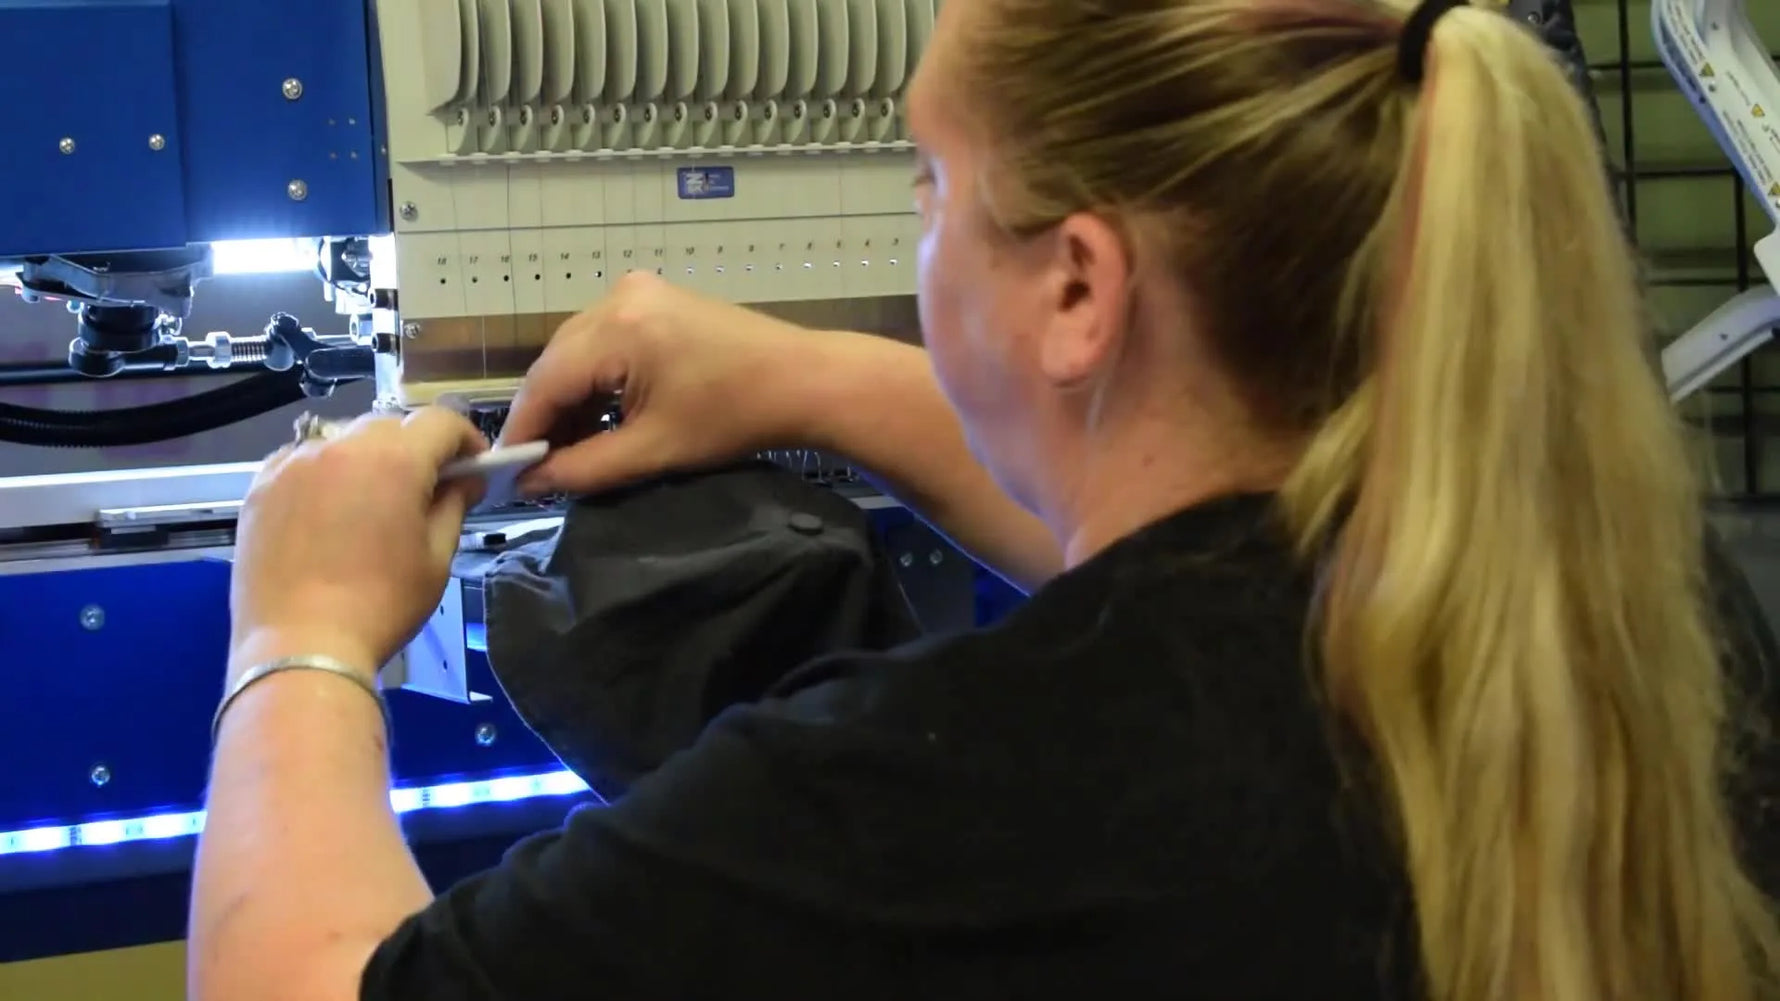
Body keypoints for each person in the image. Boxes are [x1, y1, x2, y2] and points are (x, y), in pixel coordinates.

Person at [186, 0, 1780, 998]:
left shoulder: (947, 803)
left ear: (1082, 287)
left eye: (932, 185)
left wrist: (301, 631)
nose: (920, 221)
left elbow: (307, 981)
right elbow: (1202, 562)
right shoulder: (1631, 614)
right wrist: (816, 380)